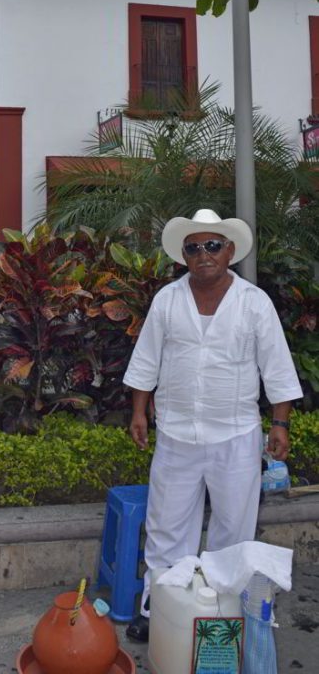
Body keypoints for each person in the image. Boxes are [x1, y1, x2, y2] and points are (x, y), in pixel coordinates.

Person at [123, 208, 302, 642]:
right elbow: (146, 362)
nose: (203, 254)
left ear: (230, 251)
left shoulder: (253, 302)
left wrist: (279, 424)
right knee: (167, 525)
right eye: (194, 247)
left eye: (212, 245)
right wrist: (138, 412)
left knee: (233, 528)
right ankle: (160, 606)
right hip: (177, 434)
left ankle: (221, 612)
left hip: (236, 435)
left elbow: (276, 368)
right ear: (184, 255)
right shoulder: (167, 299)